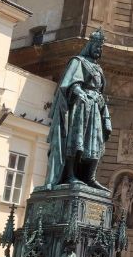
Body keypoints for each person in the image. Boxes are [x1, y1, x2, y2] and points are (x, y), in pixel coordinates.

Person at [43, 29, 112, 191]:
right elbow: (69, 83)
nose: (99, 50)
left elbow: (100, 89)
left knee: (95, 141)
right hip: (81, 107)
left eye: (101, 48)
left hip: (95, 108)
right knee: (76, 140)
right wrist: (80, 93)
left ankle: (89, 177)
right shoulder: (79, 61)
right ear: (90, 45)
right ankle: (70, 174)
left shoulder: (98, 68)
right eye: (96, 46)